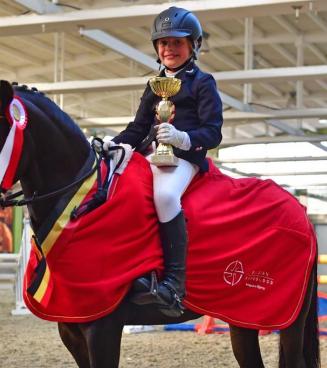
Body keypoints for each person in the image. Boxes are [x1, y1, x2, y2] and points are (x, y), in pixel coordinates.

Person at [104, 6, 223, 316]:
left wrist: (182, 138)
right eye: (164, 43)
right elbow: (138, 128)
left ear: (193, 46)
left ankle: (174, 283)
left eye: (177, 43)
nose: (169, 49)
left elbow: (212, 132)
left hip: (185, 157)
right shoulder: (154, 84)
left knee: (165, 196)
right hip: (152, 156)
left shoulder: (203, 82)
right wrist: (111, 143)